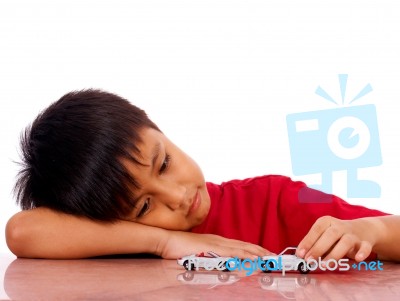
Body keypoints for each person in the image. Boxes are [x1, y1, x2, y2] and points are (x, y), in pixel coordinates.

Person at [5, 90, 400, 263]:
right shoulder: (120, 247)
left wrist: (371, 232)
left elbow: (391, 233)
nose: (176, 196)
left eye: (163, 164)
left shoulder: (272, 198)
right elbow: (22, 231)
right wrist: (164, 242)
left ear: (159, 130)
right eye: (144, 206)